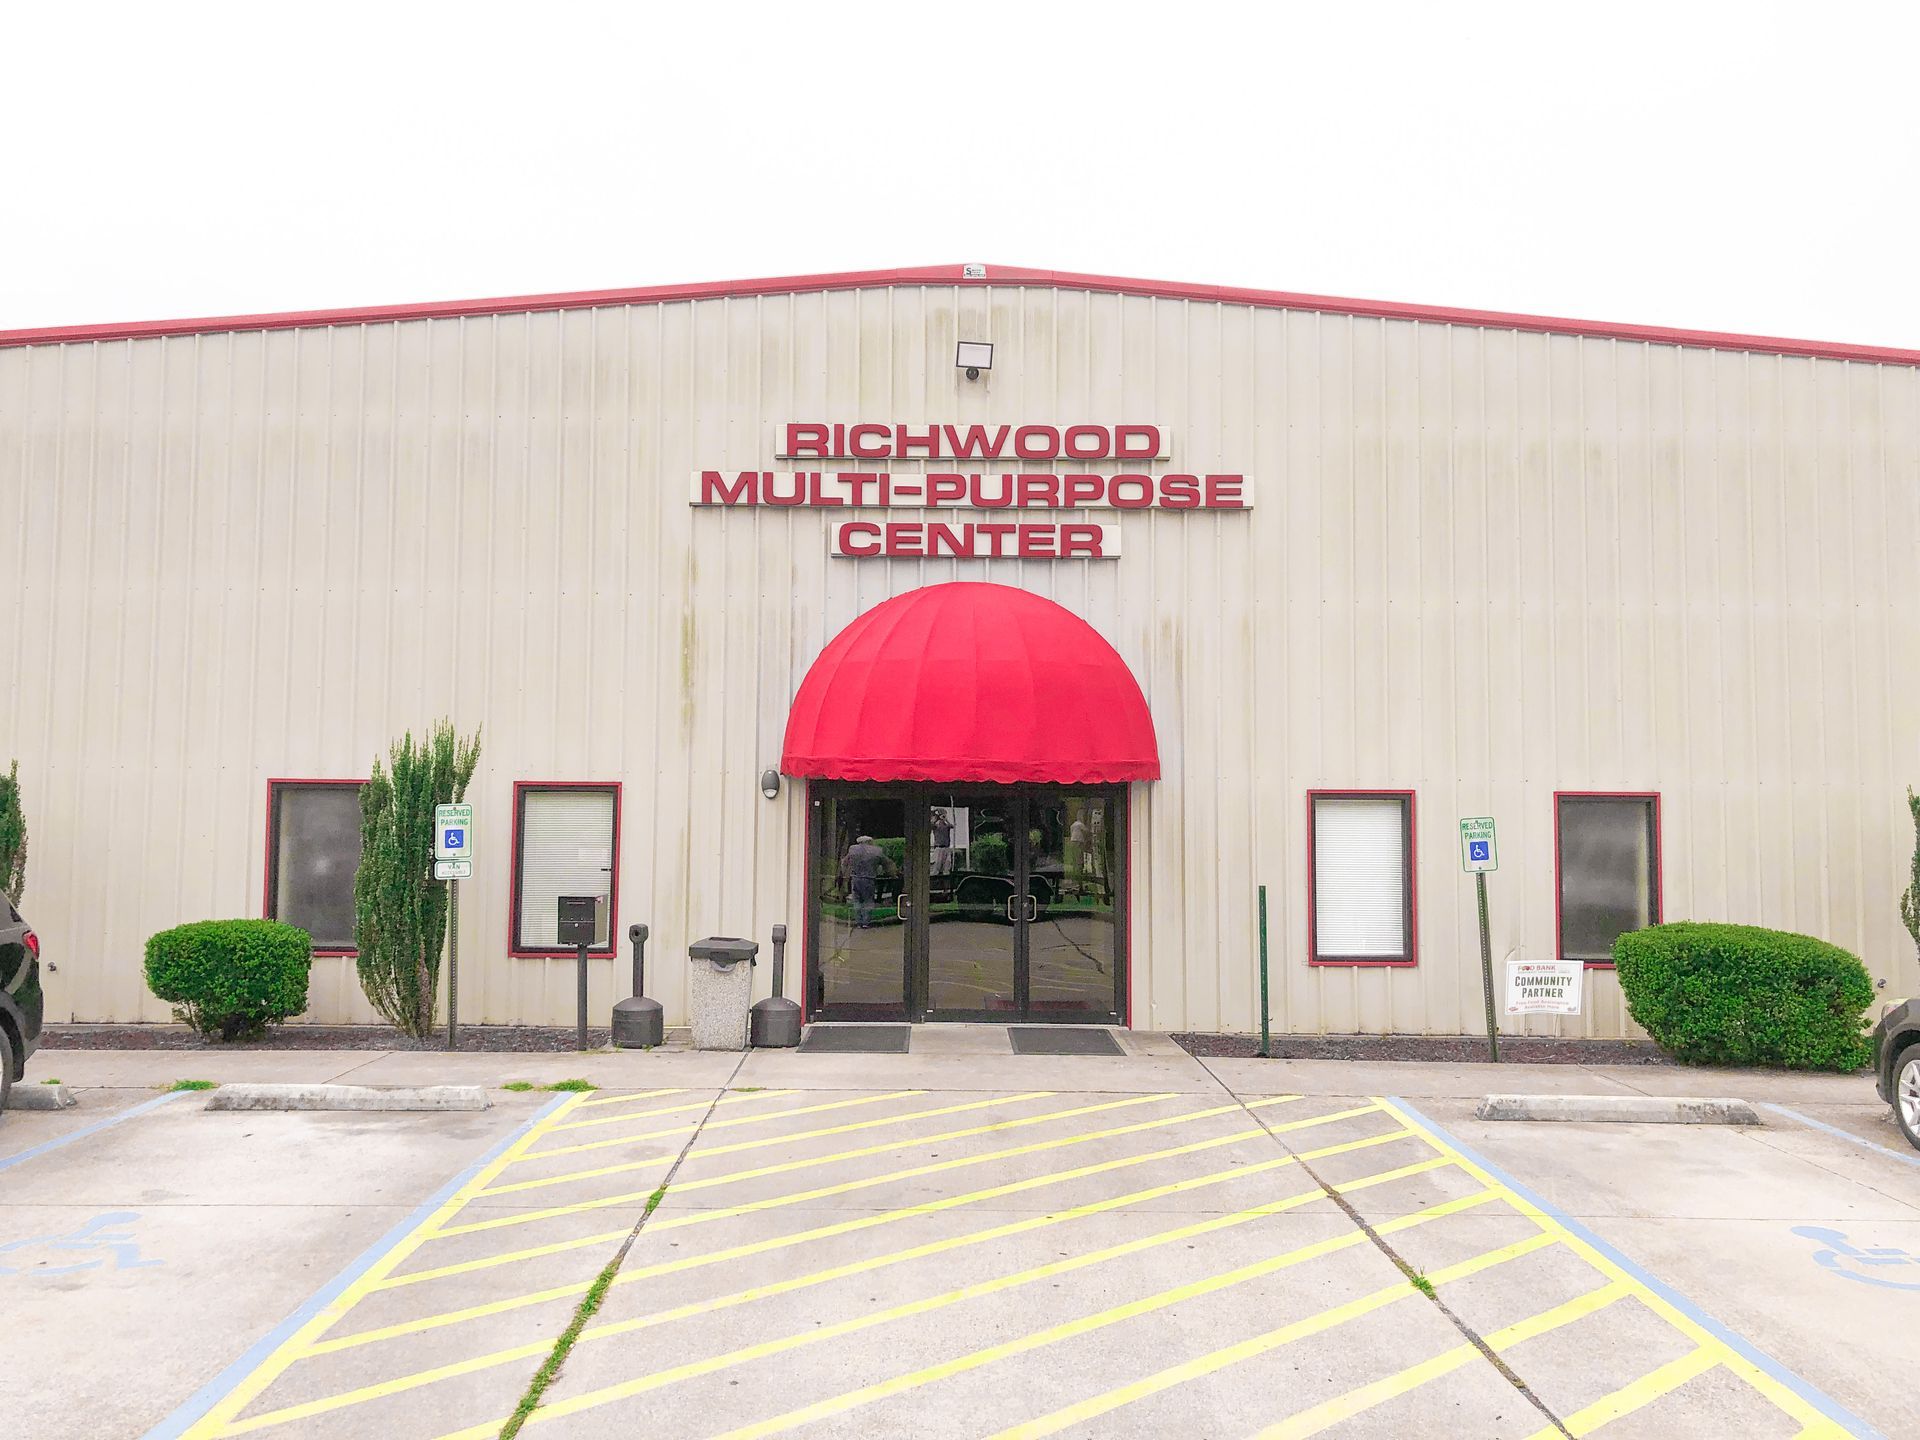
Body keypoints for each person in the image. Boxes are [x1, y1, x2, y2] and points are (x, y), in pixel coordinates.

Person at [840, 834, 890, 928]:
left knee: (857, 900)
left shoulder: (852, 849)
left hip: (855, 878)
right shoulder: (877, 850)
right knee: (868, 900)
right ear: (869, 841)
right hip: (869, 879)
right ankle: (866, 922)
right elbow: (886, 863)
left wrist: (845, 873)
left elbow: (844, 862)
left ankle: (859, 921)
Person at [930, 807, 954, 876]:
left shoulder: (946, 825)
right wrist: (935, 816)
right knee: (936, 866)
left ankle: (946, 878)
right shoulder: (936, 825)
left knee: (947, 865)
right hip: (938, 847)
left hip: (946, 847)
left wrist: (946, 820)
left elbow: (952, 826)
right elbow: (931, 825)